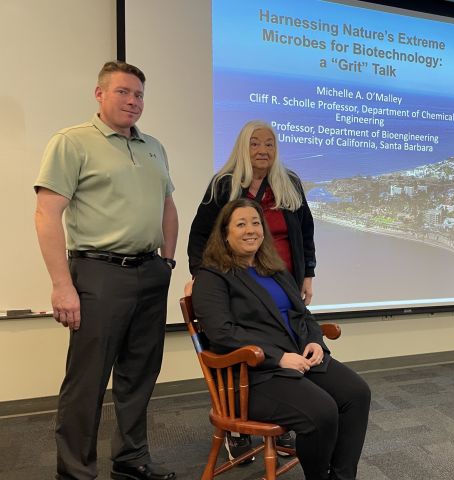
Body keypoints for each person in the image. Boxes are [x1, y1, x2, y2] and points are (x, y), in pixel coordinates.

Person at [34, 61, 178, 480]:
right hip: (98, 274)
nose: (133, 102)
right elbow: (46, 214)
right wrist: (62, 285)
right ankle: (76, 472)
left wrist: (167, 261)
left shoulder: (154, 146)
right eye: (123, 92)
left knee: (139, 374)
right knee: (87, 382)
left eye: (139, 95)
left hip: (150, 272)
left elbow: (168, 206)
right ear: (99, 94)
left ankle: (132, 460)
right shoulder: (71, 142)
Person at [191, 199, 370, 480]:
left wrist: (315, 341)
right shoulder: (212, 276)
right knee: (321, 412)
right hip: (253, 376)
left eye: (256, 222)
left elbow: (302, 314)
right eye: (241, 224)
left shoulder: (273, 268)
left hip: (298, 359)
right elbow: (222, 335)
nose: (251, 230)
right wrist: (279, 358)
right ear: (225, 233)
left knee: (357, 394)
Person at [187, 120, 316, 459]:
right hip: (237, 283)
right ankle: (236, 429)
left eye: (270, 144)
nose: (263, 150)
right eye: (255, 144)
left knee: (285, 349)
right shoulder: (224, 184)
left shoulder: (289, 184)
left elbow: (305, 233)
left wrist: (308, 275)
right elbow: (200, 235)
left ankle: (288, 420)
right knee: (239, 347)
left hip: (281, 282)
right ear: (243, 148)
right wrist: (202, 278)